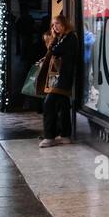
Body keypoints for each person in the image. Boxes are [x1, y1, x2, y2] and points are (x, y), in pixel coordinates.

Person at [37, 13, 79, 148]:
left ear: (64, 24)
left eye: (58, 24)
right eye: (53, 25)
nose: (55, 27)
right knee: (63, 105)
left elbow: (55, 51)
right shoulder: (64, 37)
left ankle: (49, 137)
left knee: (49, 103)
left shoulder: (70, 37)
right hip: (60, 76)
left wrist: (54, 39)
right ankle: (65, 135)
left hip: (63, 77)